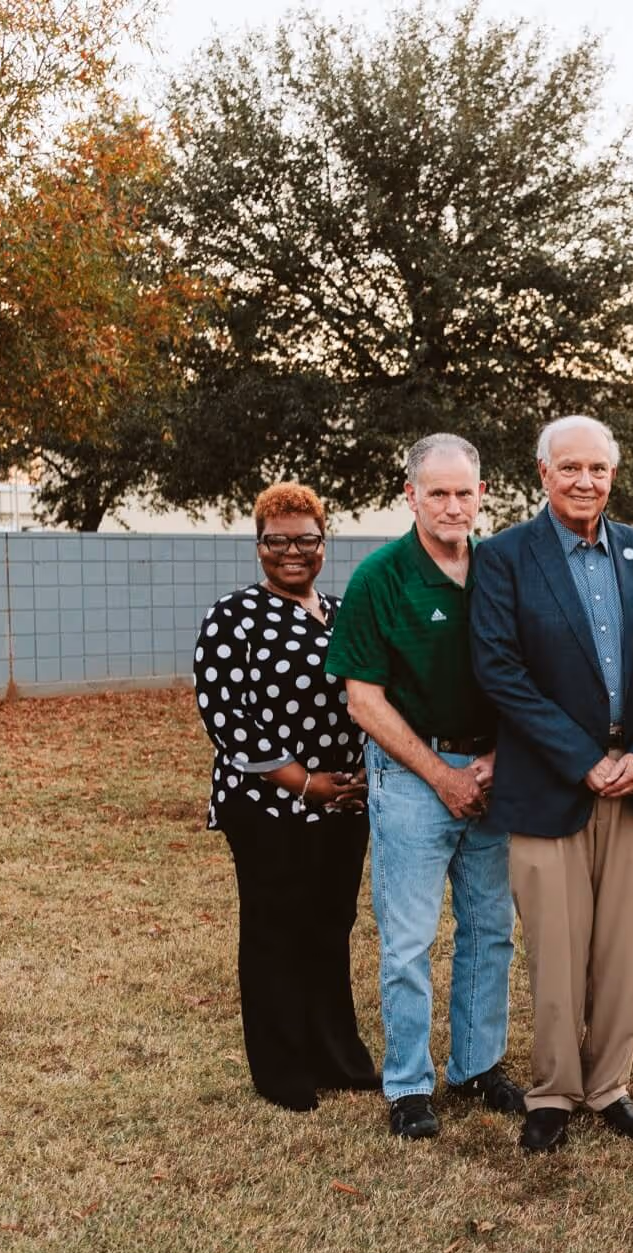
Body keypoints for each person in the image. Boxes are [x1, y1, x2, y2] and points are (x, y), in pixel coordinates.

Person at [469, 415, 633, 1153]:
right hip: (551, 781)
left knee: (624, 945)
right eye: (570, 468)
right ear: (542, 473)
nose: (584, 481)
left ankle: (610, 1085)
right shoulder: (503, 558)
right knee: (556, 950)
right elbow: (500, 669)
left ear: (612, 476)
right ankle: (555, 1090)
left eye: (597, 469)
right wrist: (581, 757)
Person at [326, 435, 523, 1141]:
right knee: (408, 939)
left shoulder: (501, 568)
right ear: (410, 495)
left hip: (494, 773)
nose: (451, 505)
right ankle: (409, 1082)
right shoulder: (381, 576)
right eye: (436, 492)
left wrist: (497, 758)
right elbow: (362, 698)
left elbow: (527, 671)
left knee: (490, 930)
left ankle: (478, 1064)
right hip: (414, 778)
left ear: (482, 494)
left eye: (463, 492)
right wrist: (441, 776)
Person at [193, 482, 376, 1113]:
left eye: (305, 539)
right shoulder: (233, 616)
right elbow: (227, 720)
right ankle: (280, 1067)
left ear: (325, 543)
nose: (291, 552)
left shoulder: (345, 609)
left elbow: (371, 696)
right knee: (276, 929)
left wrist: (356, 777)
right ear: (259, 544)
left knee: (330, 926)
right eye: (277, 540)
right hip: (267, 802)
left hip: (345, 802)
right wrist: (304, 781)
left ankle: (336, 1054)